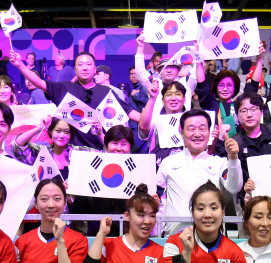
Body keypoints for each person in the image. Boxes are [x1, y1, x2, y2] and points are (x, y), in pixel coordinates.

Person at [10, 50, 140, 150]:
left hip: (100, 152)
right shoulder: (64, 88)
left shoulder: (107, 92)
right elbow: (38, 82)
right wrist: (20, 64)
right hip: (70, 154)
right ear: (75, 69)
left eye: (89, 64)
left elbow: (131, 114)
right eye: (80, 64)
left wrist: (155, 119)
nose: (85, 67)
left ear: (95, 69)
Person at [156, 109, 243, 236]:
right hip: (175, 235)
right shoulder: (168, 163)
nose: (197, 134)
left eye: (202, 129)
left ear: (209, 132)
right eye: (191, 129)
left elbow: (234, 187)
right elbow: (159, 201)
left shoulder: (220, 163)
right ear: (181, 132)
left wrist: (233, 158)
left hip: (211, 235)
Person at [196, 44, 265, 137]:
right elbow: (202, 83)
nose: (225, 89)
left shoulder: (241, 104)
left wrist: (259, 59)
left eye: (229, 85)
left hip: (240, 147)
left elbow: (253, 84)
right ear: (215, 87)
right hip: (216, 148)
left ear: (235, 87)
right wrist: (198, 59)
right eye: (221, 85)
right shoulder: (210, 103)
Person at [12, 116, 98, 179]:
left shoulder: (78, 152)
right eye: (58, 131)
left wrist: (100, 135)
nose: (62, 135)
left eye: (66, 132)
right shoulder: (43, 152)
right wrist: (39, 128)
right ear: (50, 131)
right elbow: (17, 146)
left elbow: (105, 157)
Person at [135, 32, 197, 115]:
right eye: (165, 67)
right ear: (160, 70)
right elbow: (140, 72)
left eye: (172, 67)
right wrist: (140, 47)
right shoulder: (154, 84)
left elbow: (198, 68)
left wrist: (199, 49)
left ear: (178, 70)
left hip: (182, 127)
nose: (169, 70)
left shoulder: (187, 82)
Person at [138, 80, 189, 166]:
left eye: (177, 94)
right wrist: (152, 98)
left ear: (184, 99)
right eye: (169, 94)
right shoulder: (157, 121)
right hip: (159, 171)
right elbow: (143, 127)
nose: (173, 98)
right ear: (163, 100)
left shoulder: (192, 122)